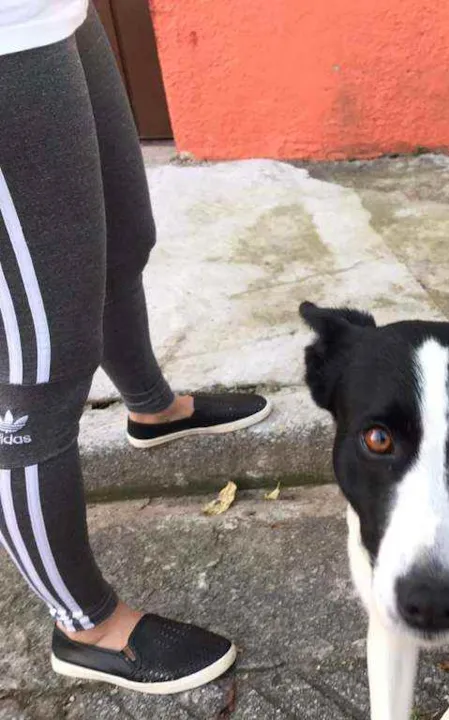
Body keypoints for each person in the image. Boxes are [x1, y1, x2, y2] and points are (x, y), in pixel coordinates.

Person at [0, 1, 271, 694]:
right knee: (39, 365)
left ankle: (154, 408)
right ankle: (85, 627)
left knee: (124, 243)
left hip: (54, 14)